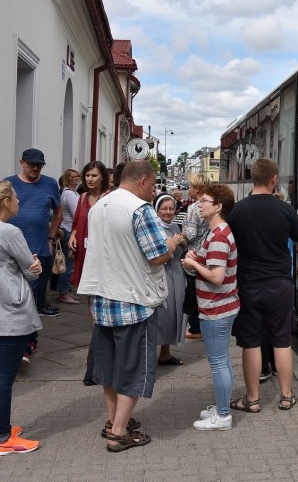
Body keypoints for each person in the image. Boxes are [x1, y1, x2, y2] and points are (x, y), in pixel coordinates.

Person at [77, 160, 178, 452]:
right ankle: (119, 433)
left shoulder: (99, 206)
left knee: (108, 368)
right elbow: (157, 255)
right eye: (154, 183)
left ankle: (113, 421)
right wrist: (171, 245)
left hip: (102, 298)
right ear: (143, 181)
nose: (154, 190)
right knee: (133, 368)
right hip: (134, 300)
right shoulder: (139, 210)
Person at [226, 158, 298, 412]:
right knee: (282, 341)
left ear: (253, 178)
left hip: (248, 285)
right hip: (279, 284)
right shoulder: (285, 210)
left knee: (251, 342)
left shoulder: (238, 211)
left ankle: (252, 400)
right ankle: (286, 396)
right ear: (274, 179)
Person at [0, 181, 43, 455]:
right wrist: (34, 266)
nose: (18, 201)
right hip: (12, 313)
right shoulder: (9, 231)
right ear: (4, 202)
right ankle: (3, 439)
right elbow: (30, 270)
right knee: (3, 377)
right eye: (15, 197)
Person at [181, 184, 240, 430]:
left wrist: (194, 266)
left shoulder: (217, 237)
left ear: (218, 207)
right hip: (221, 306)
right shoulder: (219, 232)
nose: (200, 204)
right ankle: (222, 407)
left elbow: (216, 277)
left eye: (205, 200)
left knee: (218, 362)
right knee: (222, 360)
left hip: (216, 308)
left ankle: (224, 415)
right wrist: (198, 259)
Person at [5, 148, 62, 363]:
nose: (35, 168)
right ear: (22, 162)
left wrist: (51, 235)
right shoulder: (9, 184)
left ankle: (27, 343)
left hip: (39, 250)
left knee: (32, 299)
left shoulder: (49, 184)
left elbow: (58, 211)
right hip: (12, 252)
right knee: (17, 299)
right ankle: (22, 343)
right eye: (31, 164)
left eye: (39, 164)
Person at [153, 194, 188, 365]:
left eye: (171, 208)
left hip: (177, 273)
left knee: (175, 313)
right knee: (162, 315)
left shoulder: (175, 226)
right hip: (162, 273)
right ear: (157, 210)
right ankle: (149, 354)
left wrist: (183, 244)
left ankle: (165, 353)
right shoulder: (155, 228)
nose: (168, 212)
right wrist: (173, 243)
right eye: (164, 208)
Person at [68, 161, 111, 288]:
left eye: (94, 176)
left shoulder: (109, 198)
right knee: (86, 289)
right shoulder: (82, 197)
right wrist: (72, 236)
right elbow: (76, 223)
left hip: (101, 250)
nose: (90, 179)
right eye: (87, 175)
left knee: (100, 287)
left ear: (102, 177)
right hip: (83, 249)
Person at [182, 173, 213, 340]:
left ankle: (195, 328)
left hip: (194, 255)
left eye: (191, 186)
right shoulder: (212, 205)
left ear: (198, 188)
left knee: (193, 291)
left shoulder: (194, 208)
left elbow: (191, 233)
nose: (189, 189)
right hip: (209, 253)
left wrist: (180, 239)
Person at [56, 168, 81, 304]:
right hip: (69, 231)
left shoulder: (73, 193)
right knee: (69, 264)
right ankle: (64, 293)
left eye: (78, 175)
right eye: (73, 176)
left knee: (69, 263)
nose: (76, 178)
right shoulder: (70, 194)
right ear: (67, 178)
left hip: (68, 230)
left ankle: (65, 291)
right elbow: (76, 214)